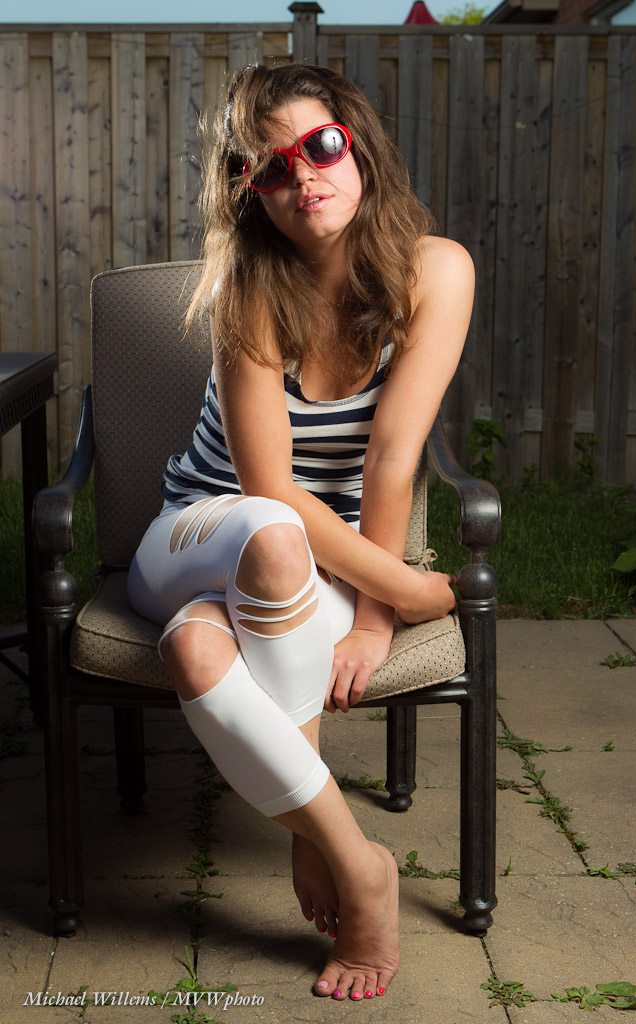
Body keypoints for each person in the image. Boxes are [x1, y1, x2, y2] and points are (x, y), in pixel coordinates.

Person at [127, 61, 474, 1002]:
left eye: (321, 146)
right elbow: (267, 488)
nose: (304, 176)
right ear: (250, 193)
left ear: (360, 148)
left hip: (307, 563)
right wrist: (408, 589)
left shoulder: (435, 270)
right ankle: (356, 863)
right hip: (195, 534)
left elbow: (391, 459)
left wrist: (372, 618)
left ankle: (310, 836)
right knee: (272, 527)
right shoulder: (248, 287)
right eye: (272, 168)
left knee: (196, 653)